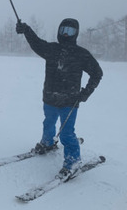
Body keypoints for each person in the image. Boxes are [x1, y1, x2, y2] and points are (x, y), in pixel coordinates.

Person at [16, 18, 103, 178]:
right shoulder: (51, 49)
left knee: (66, 133)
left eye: (70, 31)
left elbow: (97, 73)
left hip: (70, 101)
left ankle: (73, 162)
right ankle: (47, 143)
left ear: (76, 33)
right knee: (48, 123)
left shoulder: (81, 54)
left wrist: (86, 93)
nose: (65, 33)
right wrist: (26, 29)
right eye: (63, 29)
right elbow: (36, 43)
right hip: (49, 98)